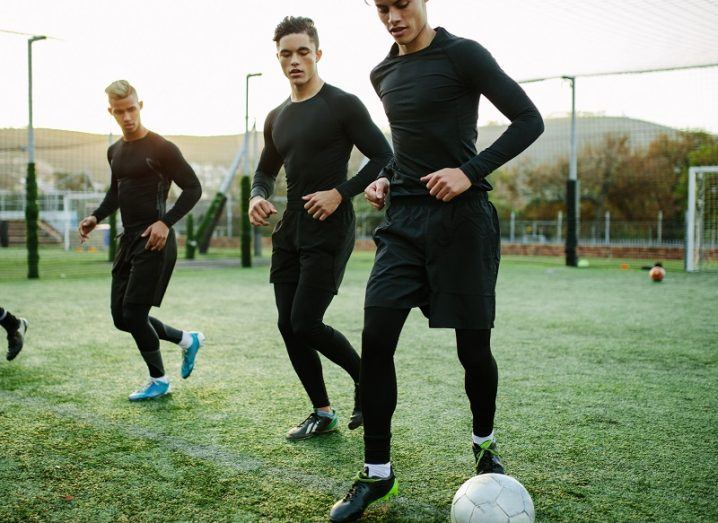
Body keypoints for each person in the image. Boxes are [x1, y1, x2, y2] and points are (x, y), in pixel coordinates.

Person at [330, 1, 544, 520]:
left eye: (401, 3)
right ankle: (377, 473)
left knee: (473, 349)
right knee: (376, 337)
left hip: (462, 223)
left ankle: (485, 444)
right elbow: (409, 146)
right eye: (381, 7)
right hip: (403, 224)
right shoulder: (382, 72)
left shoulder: (463, 55)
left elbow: (529, 120)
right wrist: (386, 175)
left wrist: (469, 171)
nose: (393, 16)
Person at [250, 16, 393, 440]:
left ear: (318, 55)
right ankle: (322, 411)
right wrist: (259, 194)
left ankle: (366, 379)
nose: (294, 61)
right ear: (278, 58)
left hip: (330, 227)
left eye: (302, 52)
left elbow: (384, 155)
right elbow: (264, 169)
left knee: (306, 321)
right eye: (286, 54)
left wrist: (341, 192)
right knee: (286, 324)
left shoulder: (341, 104)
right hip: (290, 229)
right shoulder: (276, 117)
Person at [78, 80, 204, 401]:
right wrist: (95, 217)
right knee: (122, 318)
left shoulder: (162, 148)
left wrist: (165, 222)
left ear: (140, 105)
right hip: (128, 240)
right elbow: (116, 193)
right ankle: (187, 340)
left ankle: (159, 380)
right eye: (120, 111)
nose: (127, 116)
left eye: (131, 109)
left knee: (135, 314)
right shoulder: (115, 151)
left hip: (155, 240)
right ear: (111, 112)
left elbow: (193, 189)